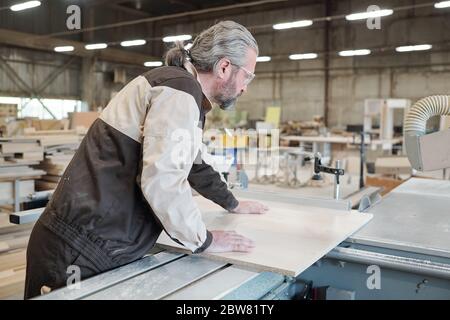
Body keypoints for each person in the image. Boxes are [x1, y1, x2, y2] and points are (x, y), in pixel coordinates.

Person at [24, 20, 268, 299]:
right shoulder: (180, 90)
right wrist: (205, 240)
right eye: (247, 76)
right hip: (79, 251)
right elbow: (163, 180)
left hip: (80, 242)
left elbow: (192, 164)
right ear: (224, 67)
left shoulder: (179, 87)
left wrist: (232, 203)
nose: (245, 87)